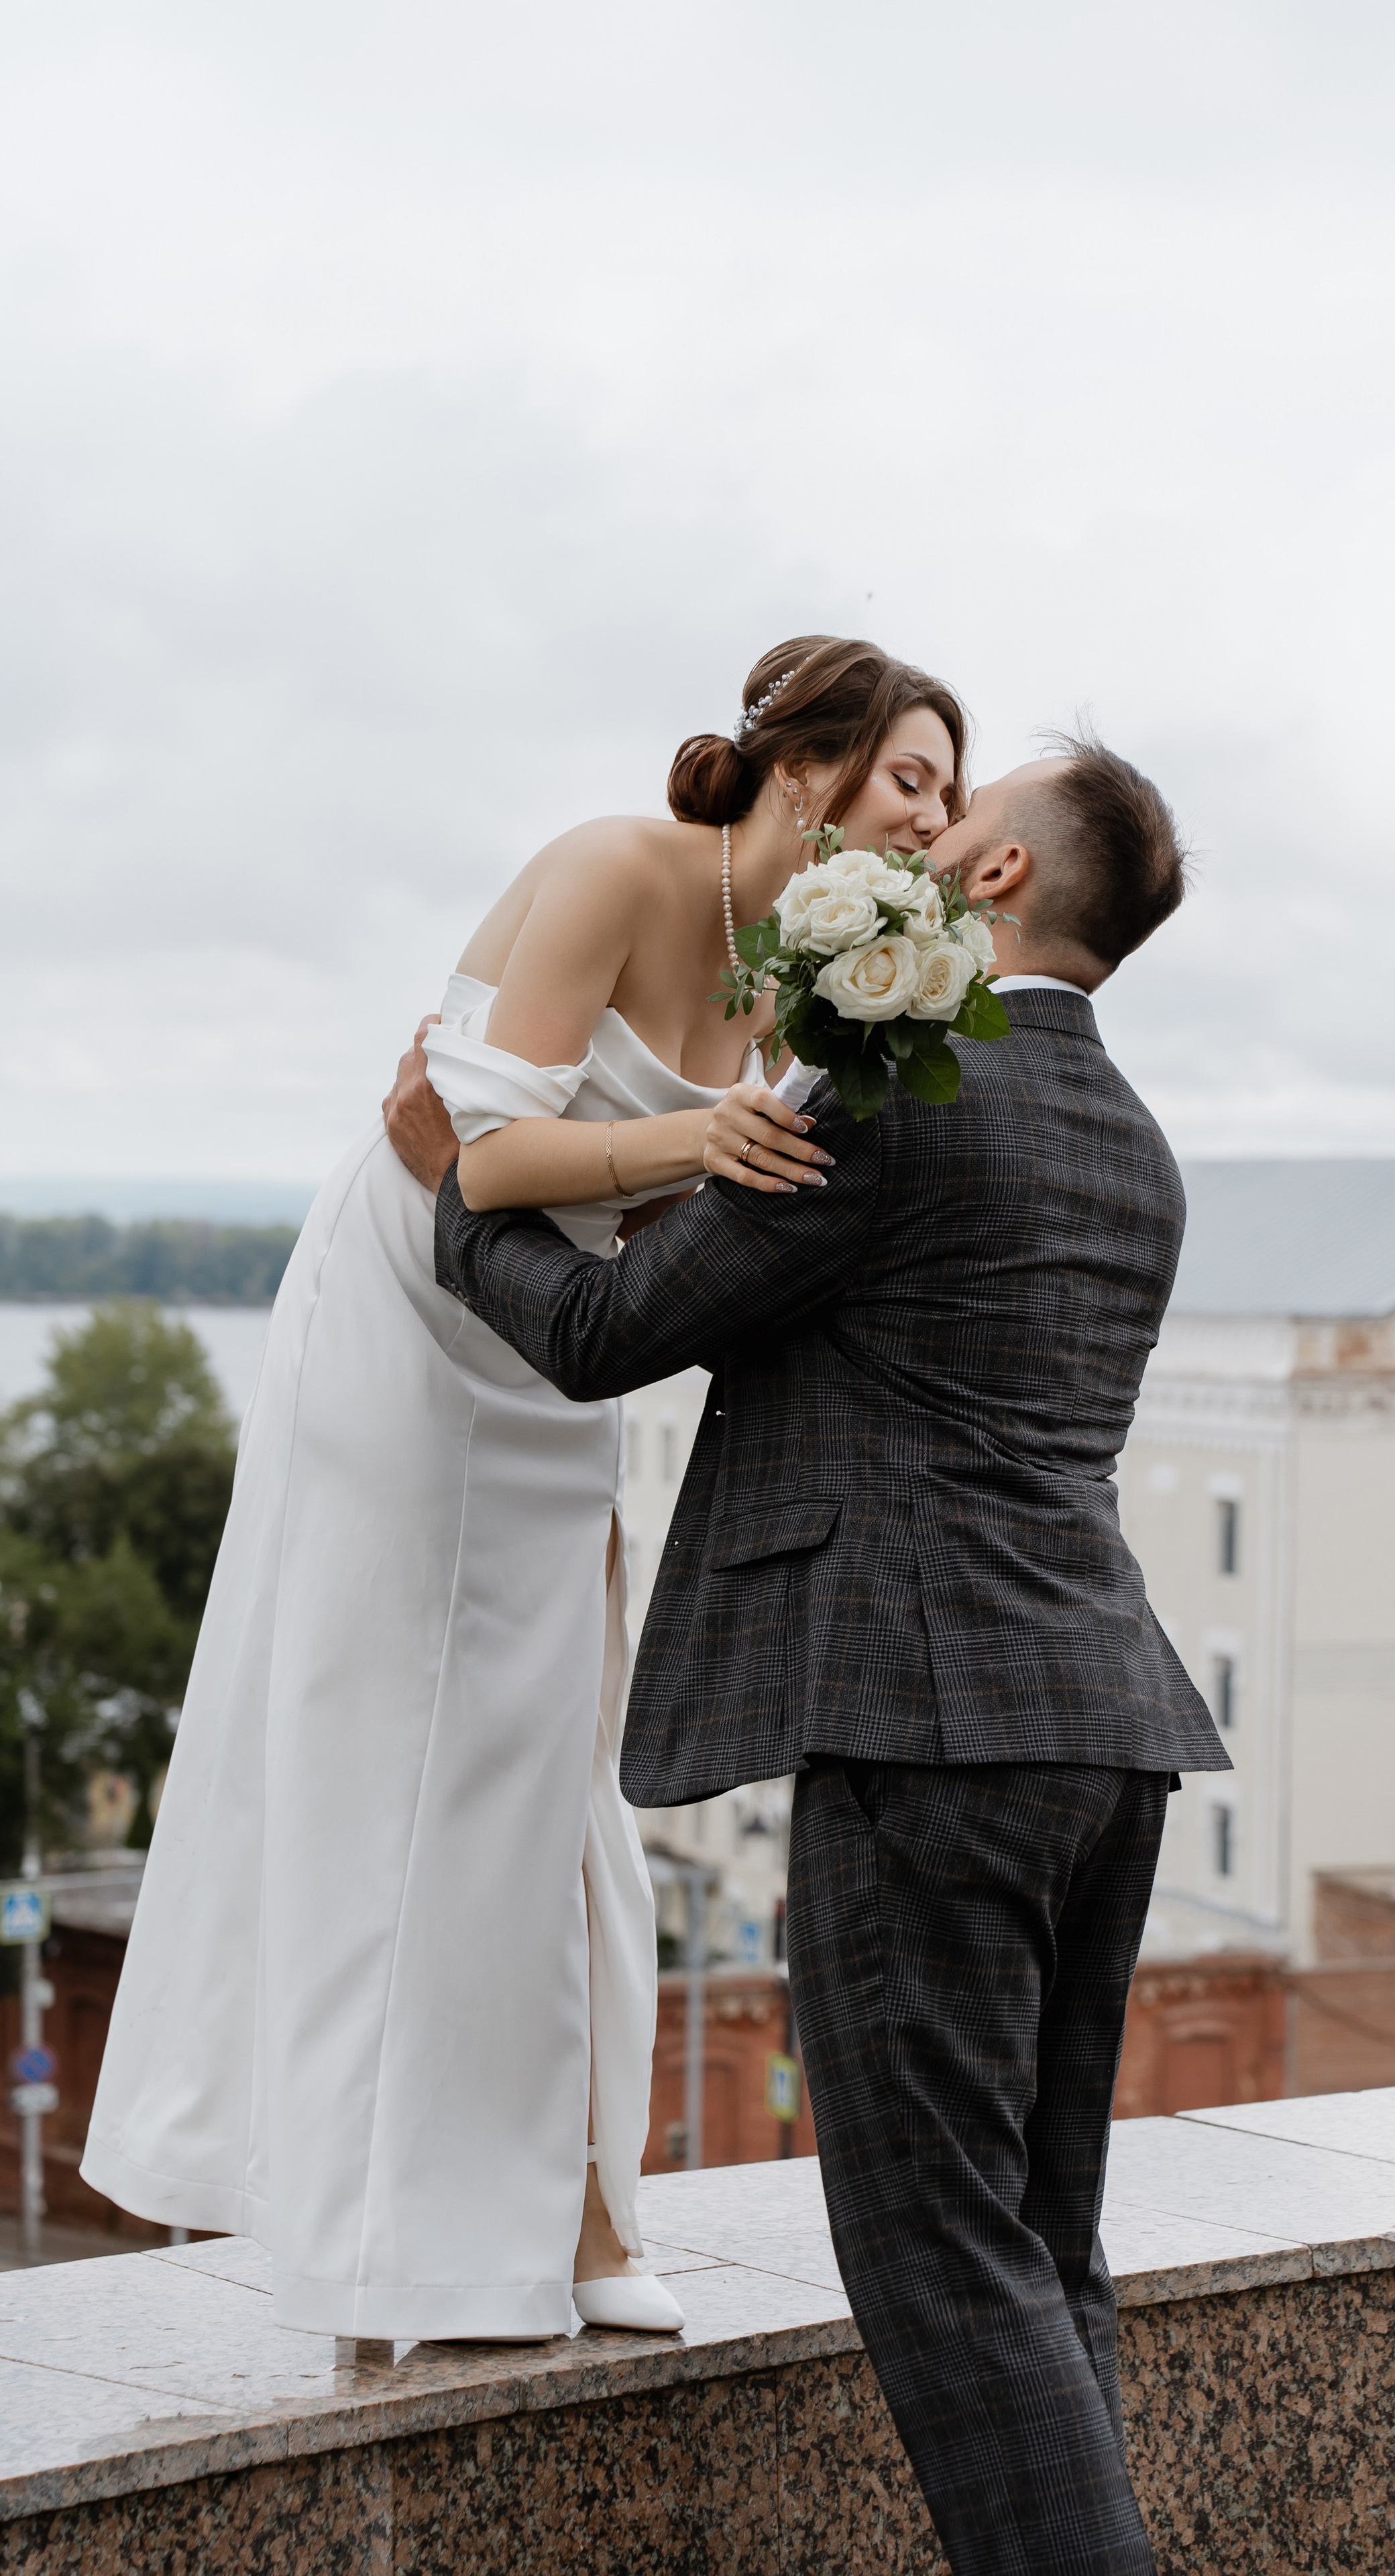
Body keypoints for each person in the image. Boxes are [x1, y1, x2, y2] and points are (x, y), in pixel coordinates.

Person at [396, 731, 1232, 2570]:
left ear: (998, 879)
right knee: (1039, 2246)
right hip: (1108, 1729)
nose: (927, 834)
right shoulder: (1137, 1148)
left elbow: (609, 1332)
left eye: (962, 814)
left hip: (930, 1732)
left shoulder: (902, 1091)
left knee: (939, 2255)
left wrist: (461, 1189)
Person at [82, 635, 969, 2343]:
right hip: (408, 1315)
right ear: (806, 768)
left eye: (950, 790)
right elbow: (475, 1157)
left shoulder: (803, 974)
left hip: (552, 1349)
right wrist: (697, 1143)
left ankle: (576, 2216)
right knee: (401, 1767)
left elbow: (661, 1223)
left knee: (554, 1777)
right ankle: (384, 2236)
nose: (934, 816)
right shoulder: (611, 867)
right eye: (910, 776)